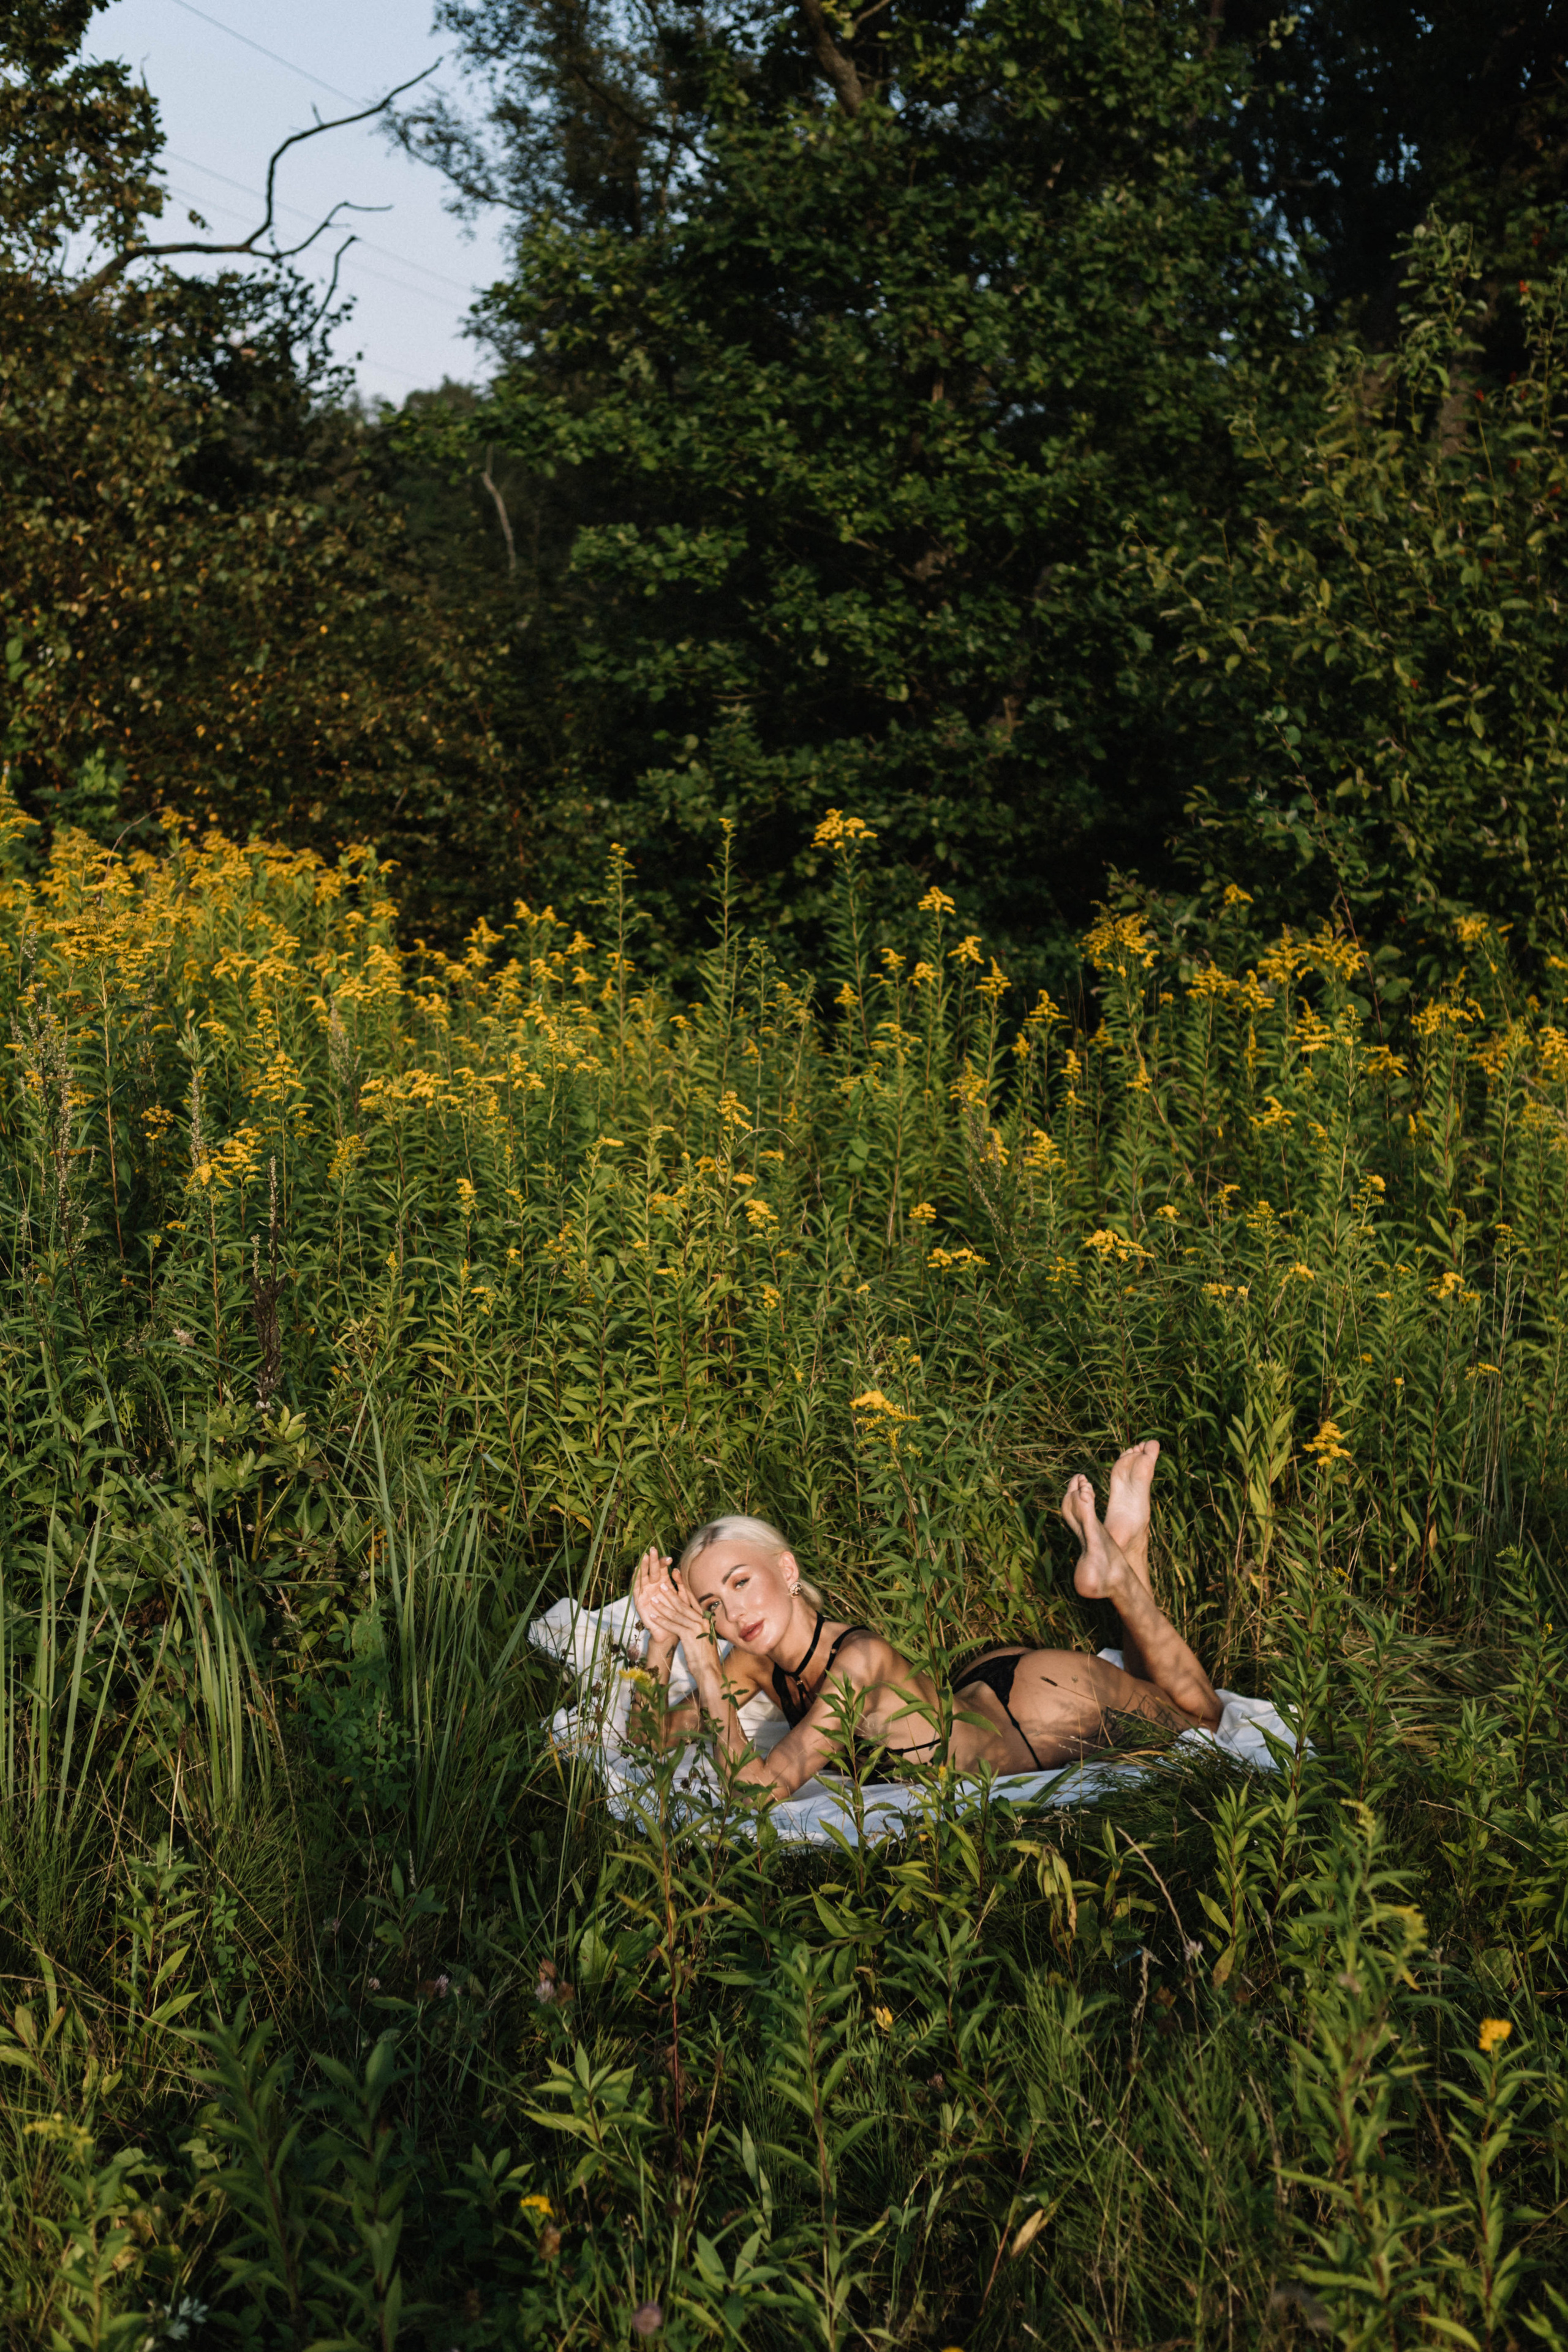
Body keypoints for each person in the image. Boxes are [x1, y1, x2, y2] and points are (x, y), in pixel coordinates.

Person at [628, 1442, 1221, 1800]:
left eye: (741, 1582)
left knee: (1203, 1724)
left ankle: (1120, 1574)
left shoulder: (856, 1662)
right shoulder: (755, 1661)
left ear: (786, 1570)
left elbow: (755, 1792)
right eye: (710, 1607)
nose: (733, 1614)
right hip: (981, 1689)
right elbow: (650, 1739)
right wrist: (659, 1643)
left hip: (1044, 1711)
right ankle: (1124, 1558)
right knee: (1177, 1707)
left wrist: (702, 1662)